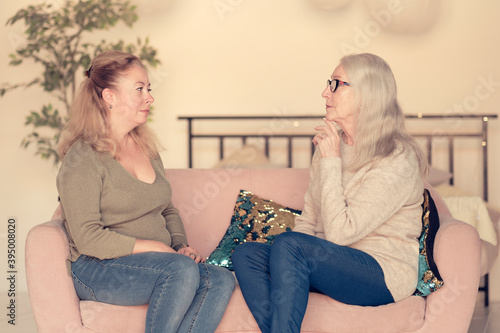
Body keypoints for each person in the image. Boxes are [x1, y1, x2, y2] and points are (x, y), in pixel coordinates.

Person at [231, 53, 428, 333]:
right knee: (247, 254)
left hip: (380, 272)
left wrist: (331, 160)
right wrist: (291, 262)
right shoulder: (330, 146)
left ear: (366, 94)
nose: (325, 92)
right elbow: (310, 219)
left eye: (336, 83)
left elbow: (340, 234)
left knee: (290, 245)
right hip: (331, 264)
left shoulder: (396, 157)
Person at [56, 50, 235, 333]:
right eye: (139, 89)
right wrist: (159, 249)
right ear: (109, 97)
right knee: (181, 271)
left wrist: (179, 247)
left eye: (148, 89)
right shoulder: (82, 158)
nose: (149, 97)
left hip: (157, 262)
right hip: (98, 268)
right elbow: (88, 238)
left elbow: (167, 209)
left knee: (221, 279)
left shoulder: (146, 148)